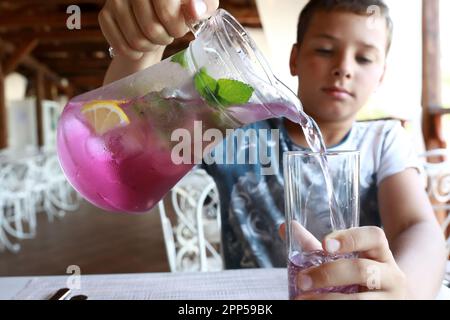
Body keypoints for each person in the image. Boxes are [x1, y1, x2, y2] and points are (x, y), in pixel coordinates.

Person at [98, 0, 447, 299]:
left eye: (365, 59)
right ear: (294, 60)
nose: (343, 68)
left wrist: (406, 290)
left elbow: (418, 227)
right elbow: (127, 145)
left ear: (381, 75)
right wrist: (136, 52)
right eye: (325, 50)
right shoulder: (237, 130)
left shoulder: (383, 140)